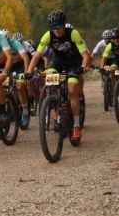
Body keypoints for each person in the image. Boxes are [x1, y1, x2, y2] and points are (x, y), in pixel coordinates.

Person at [25, 10, 91, 141]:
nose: (56, 31)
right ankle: (55, 104)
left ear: (64, 24)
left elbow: (85, 55)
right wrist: (28, 71)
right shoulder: (48, 35)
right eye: (53, 28)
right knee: (48, 81)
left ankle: (76, 125)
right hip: (58, 62)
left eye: (59, 27)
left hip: (74, 62)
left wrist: (83, 67)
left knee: (72, 90)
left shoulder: (73, 33)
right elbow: (37, 55)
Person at [0, 30, 31, 128]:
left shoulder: (15, 43)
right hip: (8, 66)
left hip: (19, 66)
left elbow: (25, 58)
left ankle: (25, 110)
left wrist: (26, 73)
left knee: (20, 86)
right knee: (2, 87)